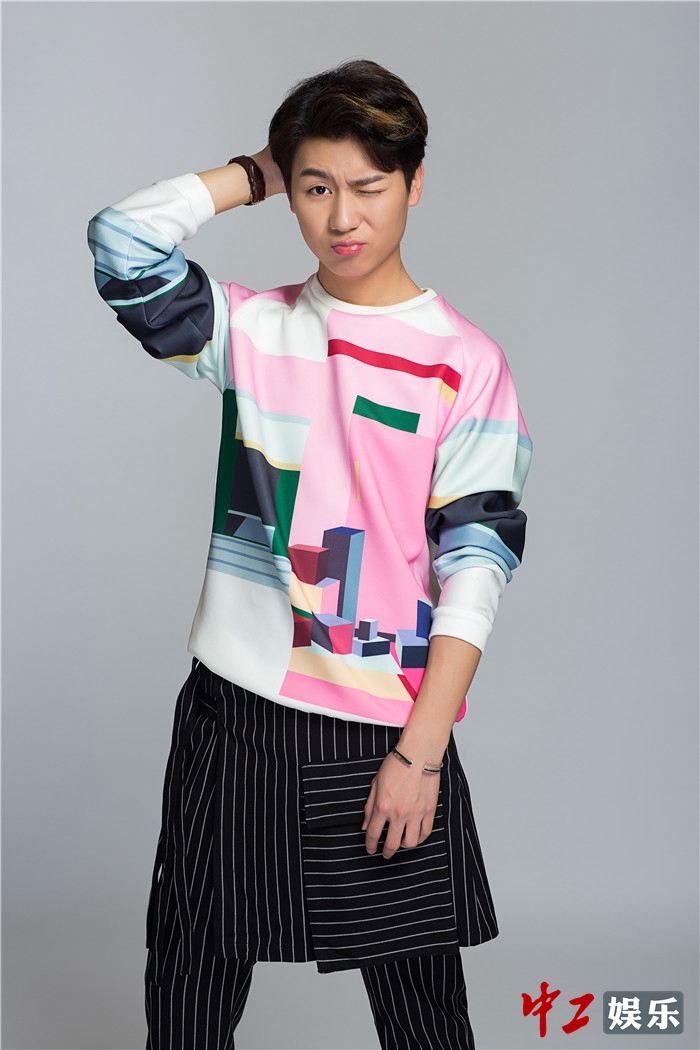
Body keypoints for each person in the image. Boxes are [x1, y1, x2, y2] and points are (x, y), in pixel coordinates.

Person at [88, 59, 531, 1050]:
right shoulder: (252, 331)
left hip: (380, 729)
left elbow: (475, 566)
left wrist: (420, 752)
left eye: (368, 187)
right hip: (233, 714)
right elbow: (122, 242)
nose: (342, 217)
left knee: (422, 1014)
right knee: (190, 986)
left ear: (414, 183)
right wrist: (253, 169)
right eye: (315, 187)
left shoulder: (464, 364)